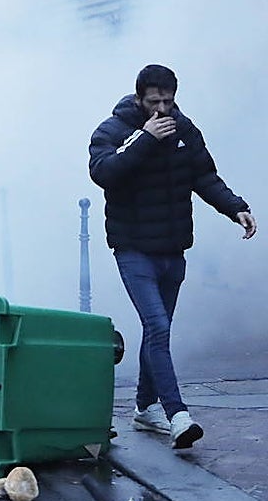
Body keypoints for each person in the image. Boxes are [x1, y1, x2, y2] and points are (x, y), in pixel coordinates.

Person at [89, 64, 255, 450]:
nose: (162, 110)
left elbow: (204, 176)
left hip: (173, 248)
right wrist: (143, 138)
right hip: (133, 249)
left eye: (168, 101)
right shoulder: (113, 131)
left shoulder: (185, 129)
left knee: (156, 331)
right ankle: (177, 415)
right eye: (154, 102)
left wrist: (235, 207)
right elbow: (103, 172)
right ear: (139, 99)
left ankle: (145, 408)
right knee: (159, 327)